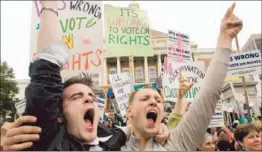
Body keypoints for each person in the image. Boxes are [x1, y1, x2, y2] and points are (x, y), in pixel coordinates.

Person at [121, 3, 243, 151]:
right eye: (145, 98)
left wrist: (225, 38)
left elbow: (208, 94)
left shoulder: (177, 143)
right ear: (128, 111)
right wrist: (122, 132)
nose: (153, 102)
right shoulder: (108, 145)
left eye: (158, 100)